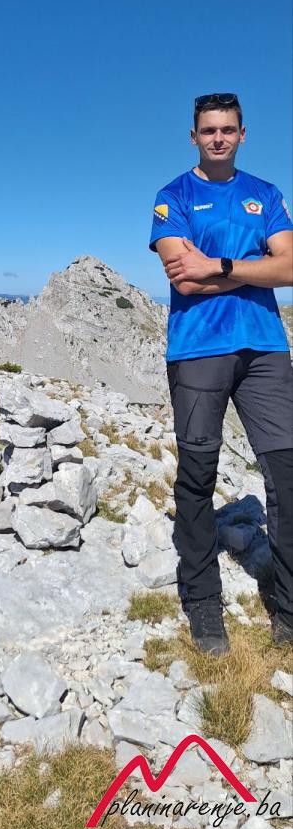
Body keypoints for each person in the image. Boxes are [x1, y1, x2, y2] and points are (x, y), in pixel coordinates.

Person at [149, 92, 293, 655]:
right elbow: (183, 279)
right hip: (198, 349)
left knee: (286, 476)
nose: (217, 138)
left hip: (264, 350)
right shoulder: (172, 197)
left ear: (242, 134)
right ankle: (204, 603)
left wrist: (220, 264)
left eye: (227, 130)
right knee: (197, 476)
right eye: (208, 130)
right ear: (193, 136)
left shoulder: (266, 194)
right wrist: (257, 270)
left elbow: (291, 266)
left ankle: (287, 609)